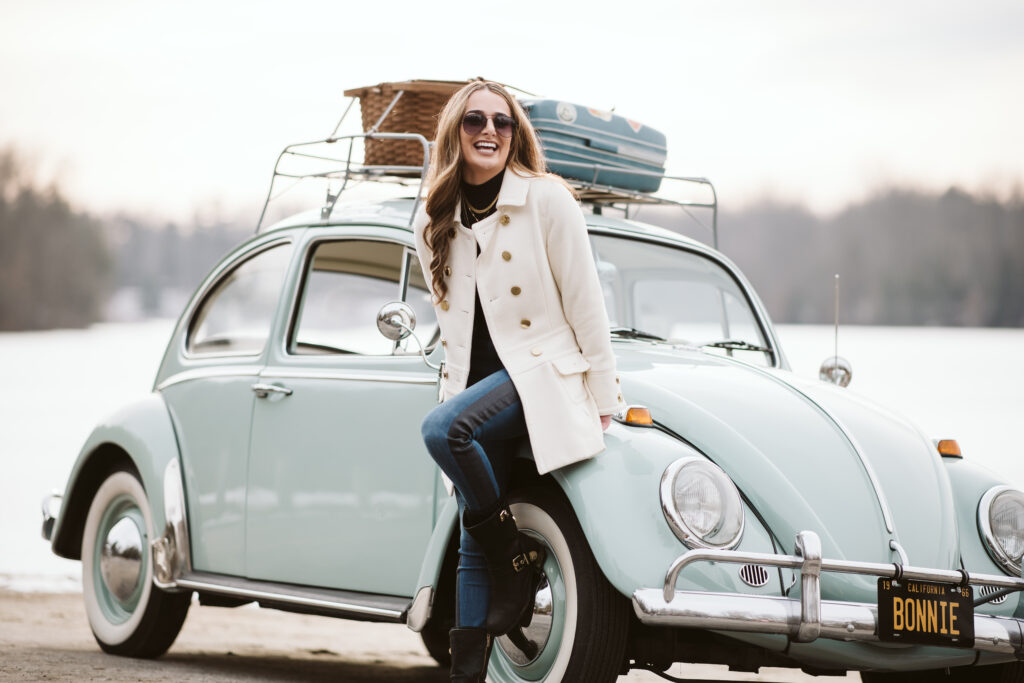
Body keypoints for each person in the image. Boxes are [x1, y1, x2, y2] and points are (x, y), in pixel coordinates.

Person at [413, 80, 625, 682]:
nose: (489, 132)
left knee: (441, 432)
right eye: (475, 121)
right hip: (477, 389)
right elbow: (452, 323)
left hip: (537, 378)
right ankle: (468, 673)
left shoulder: (547, 200)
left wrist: (605, 396)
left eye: (502, 123)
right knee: (468, 548)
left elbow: (587, 304)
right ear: (455, 132)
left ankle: (516, 554)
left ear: (516, 135)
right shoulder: (435, 217)